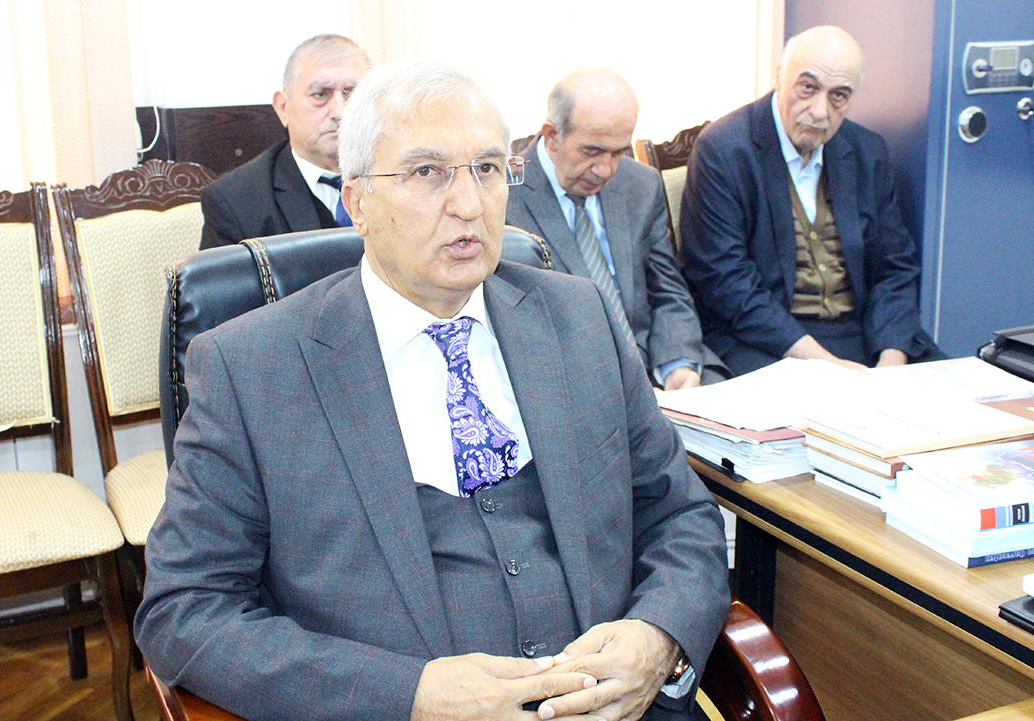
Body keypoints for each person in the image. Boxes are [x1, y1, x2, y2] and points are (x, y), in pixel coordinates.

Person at [135, 60, 729, 721]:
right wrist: (408, 696)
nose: (470, 204)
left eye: (487, 168)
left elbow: (680, 516)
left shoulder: (579, 316)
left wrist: (658, 636)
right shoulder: (251, 368)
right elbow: (185, 610)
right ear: (357, 202)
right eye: (426, 172)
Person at [679, 25, 945, 376]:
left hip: (865, 332)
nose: (820, 111)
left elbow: (895, 267)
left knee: (962, 398)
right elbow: (726, 282)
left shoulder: (867, 151)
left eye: (839, 96)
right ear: (779, 76)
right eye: (808, 87)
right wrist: (827, 366)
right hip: (764, 338)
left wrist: (891, 362)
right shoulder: (724, 150)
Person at [507, 68, 728, 390]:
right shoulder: (504, 196)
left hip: (654, 361)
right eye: (592, 151)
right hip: (574, 381)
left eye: (618, 152)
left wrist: (678, 364)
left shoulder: (640, 184)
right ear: (552, 136)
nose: (605, 170)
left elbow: (668, 290)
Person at [199, 34, 370, 249]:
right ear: (283, 107)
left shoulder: (399, 176)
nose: (339, 112)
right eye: (320, 94)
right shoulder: (236, 201)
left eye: (352, 94)